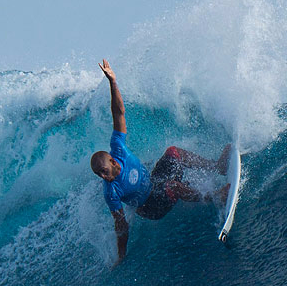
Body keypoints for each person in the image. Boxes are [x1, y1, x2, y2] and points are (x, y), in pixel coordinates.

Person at [90, 59, 231, 263]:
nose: (103, 177)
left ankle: (216, 166)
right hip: (150, 207)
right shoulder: (111, 192)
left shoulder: (118, 147)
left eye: (103, 171)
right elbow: (121, 226)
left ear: (112, 161)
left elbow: (118, 112)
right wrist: (121, 255)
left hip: (155, 183)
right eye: (99, 175)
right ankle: (213, 196)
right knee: (172, 186)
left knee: (173, 152)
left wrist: (112, 81)